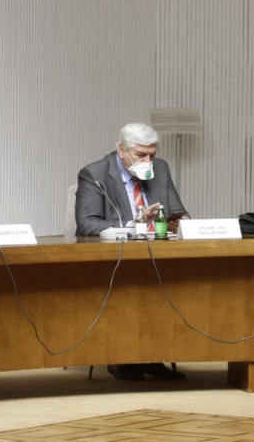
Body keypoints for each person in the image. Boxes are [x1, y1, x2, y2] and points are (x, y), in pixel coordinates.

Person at [75, 123, 188, 380]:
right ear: (121, 150)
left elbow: (177, 211)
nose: (148, 161)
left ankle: (155, 354)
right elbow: (87, 224)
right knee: (134, 282)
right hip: (116, 259)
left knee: (182, 281)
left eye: (152, 155)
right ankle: (125, 357)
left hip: (159, 255)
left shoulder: (160, 169)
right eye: (141, 155)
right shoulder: (94, 174)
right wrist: (135, 223)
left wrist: (179, 222)